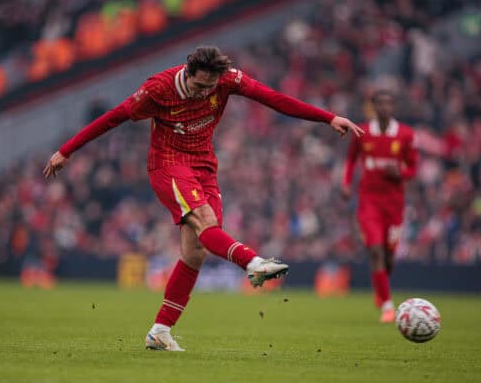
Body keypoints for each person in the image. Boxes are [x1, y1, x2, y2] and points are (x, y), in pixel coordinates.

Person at [44, 46, 363, 350]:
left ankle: (160, 331)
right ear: (188, 70)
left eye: (210, 86)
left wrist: (328, 117)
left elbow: (273, 99)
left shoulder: (226, 80)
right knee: (206, 222)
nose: (204, 91)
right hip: (169, 165)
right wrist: (66, 150)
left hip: (204, 167)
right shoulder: (158, 89)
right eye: (199, 84)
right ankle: (254, 263)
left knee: (197, 251)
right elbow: (113, 117)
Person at [341, 90, 417, 323]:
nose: (384, 108)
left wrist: (401, 173)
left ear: (393, 107)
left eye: (388, 103)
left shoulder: (405, 134)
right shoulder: (362, 132)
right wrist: (346, 184)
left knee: (389, 257)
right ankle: (387, 304)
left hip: (394, 204)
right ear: (373, 107)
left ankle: (380, 289)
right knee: (375, 250)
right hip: (369, 202)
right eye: (380, 104)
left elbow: (413, 168)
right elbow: (351, 159)